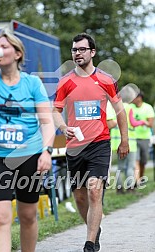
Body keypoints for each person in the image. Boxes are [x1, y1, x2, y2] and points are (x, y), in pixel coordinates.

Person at [53, 33, 129, 252]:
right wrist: (63, 127)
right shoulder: (66, 81)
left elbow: (120, 111)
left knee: (94, 191)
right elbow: (56, 111)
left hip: (100, 143)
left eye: (82, 49)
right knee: (79, 196)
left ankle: (89, 244)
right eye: (74, 50)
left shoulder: (106, 80)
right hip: (75, 146)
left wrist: (124, 141)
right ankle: (94, 229)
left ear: (92, 52)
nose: (77, 53)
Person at [0, 30, 55, 252]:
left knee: (27, 216)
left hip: (30, 155)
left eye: (4, 46)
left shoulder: (32, 83)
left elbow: (46, 123)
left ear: (17, 53)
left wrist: (46, 151)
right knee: (0, 218)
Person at [110, 86, 148, 193]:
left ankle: (118, 188)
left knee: (120, 166)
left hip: (116, 142)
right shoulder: (130, 107)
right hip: (129, 142)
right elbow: (133, 123)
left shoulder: (115, 107)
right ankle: (130, 187)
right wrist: (142, 122)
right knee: (130, 166)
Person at [132, 91, 155, 185]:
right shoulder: (131, 107)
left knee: (143, 161)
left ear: (139, 98)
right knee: (135, 160)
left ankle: (140, 178)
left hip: (145, 138)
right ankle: (137, 181)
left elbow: (150, 124)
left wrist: (142, 122)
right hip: (133, 137)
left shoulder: (148, 107)